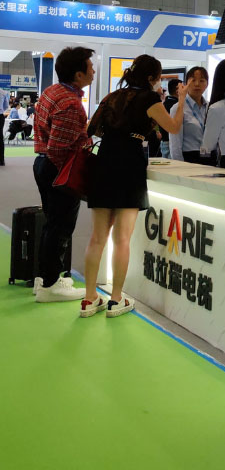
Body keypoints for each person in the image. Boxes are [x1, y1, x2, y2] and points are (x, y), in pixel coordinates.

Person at [82, 54, 189, 318]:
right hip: (129, 163)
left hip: (104, 161)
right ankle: (116, 299)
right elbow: (173, 127)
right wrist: (181, 100)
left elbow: (92, 129)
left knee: (97, 238)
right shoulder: (149, 98)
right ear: (152, 78)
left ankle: (89, 298)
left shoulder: (113, 96)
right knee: (122, 238)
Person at [32, 46, 96, 303]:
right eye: (90, 67)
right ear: (78, 75)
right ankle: (50, 285)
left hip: (43, 164)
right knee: (60, 227)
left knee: (52, 224)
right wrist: (69, 176)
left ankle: (44, 278)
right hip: (59, 169)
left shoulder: (52, 91)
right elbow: (59, 149)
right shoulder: (71, 103)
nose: (93, 71)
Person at [169, 66, 214, 165]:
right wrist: (179, 165)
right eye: (193, 80)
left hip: (210, 158)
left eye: (201, 80)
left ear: (207, 84)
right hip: (189, 159)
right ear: (186, 84)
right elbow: (175, 143)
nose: (197, 84)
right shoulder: (178, 108)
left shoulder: (211, 107)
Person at [160, 78, 180, 157]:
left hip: (164, 141)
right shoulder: (176, 105)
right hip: (172, 142)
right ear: (177, 90)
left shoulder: (165, 103)